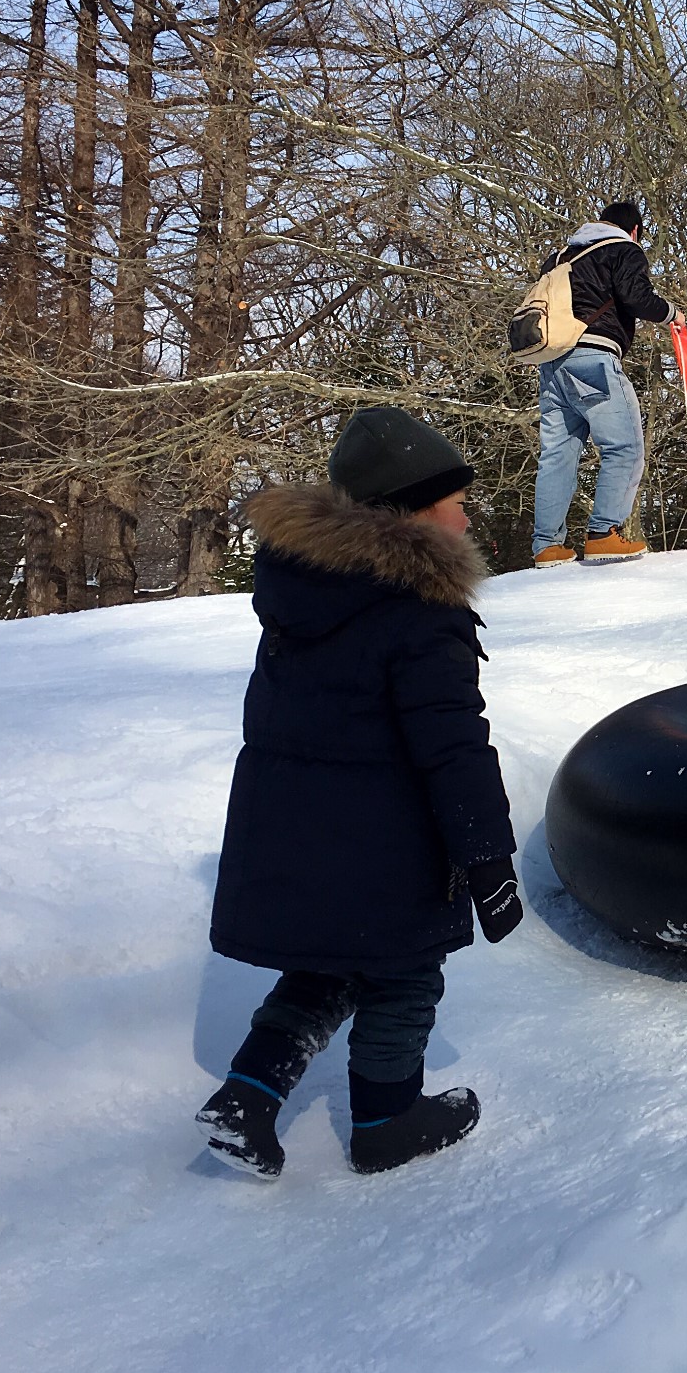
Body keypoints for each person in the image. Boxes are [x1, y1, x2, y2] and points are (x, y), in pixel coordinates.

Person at [196, 407, 522, 1178]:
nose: (467, 514)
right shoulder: (420, 611)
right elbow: (452, 744)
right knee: (406, 972)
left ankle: (246, 1097)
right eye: (454, 500)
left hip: (296, 824)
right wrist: (487, 854)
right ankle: (386, 1119)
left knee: (326, 965)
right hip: (388, 837)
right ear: (411, 511)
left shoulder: (308, 593)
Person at [530, 201, 679, 569]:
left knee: (557, 455)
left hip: (551, 364)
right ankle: (603, 535)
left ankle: (547, 545)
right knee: (625, 447)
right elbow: (636, 297)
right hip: (592, 359)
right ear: (635, 231)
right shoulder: (623, 248)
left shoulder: (560, 257)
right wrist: (672, 314)